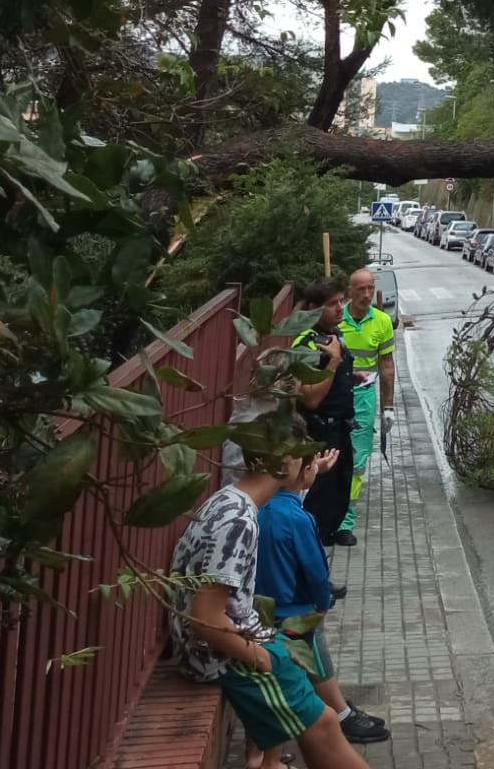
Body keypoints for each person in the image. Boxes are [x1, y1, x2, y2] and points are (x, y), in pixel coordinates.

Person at [166, 417, 371, 769]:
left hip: (224, 640)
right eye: (306, 456)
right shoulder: (240, 523)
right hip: (220, 656)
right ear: (288, 464)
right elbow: (206, 618)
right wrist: (261, 657)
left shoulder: (230, 500)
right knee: (322, 725)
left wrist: (310, 470)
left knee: (318, 719)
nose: (312, 462)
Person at [253, 447, 391, 763]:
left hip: (261, 610)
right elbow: (316, 572)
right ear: (301, 471)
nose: (315, 464)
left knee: (273, 686)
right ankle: (332, 720)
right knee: (299, 682)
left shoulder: (261, 508)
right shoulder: (299, 519)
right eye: (310, 461)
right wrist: (322, 603)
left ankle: (264, 756)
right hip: (294, 615)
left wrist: (312, 472)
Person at [334, 267, 396, 547]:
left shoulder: (382, 322)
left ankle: (345, 523)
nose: (368, 294)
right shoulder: (336, 320)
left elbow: (386, 366)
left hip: (363, 398)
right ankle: (325, 517)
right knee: (331, 456)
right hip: (334, 396)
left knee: (357, 463)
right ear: (350, 291)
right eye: (361, 289)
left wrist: (388, 407)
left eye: (371, 288)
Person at [295, 276, 357, 547]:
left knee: (338, 498)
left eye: (342, 301)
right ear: (313, 308)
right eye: (333, 303)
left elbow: (330, 382)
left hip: (340, 429)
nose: (340, 308)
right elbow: (309, 399)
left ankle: (320, 564)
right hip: (320, 432)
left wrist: (350, 377)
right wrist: (333, 361)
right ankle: (311, 575)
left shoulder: (334, 335)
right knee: (318, 503)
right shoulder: (306, 344)